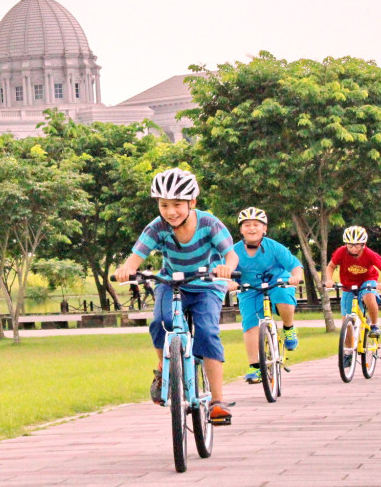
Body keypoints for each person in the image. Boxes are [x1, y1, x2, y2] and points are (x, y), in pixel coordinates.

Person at [114, 168, 238, 425]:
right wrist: (127, 270)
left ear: (192, 202)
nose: (171, 211)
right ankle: (163, 371)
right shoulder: (157, 228)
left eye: (178, 204)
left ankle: (217, 401)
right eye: (164, 205)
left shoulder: (209, 223)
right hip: (171, 282)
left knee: (207, 332)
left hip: (207, 284)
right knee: (160, 321)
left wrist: (226, 268)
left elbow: (231, 255)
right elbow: (136, 258)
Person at [231, 207, 304, 383]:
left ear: (264, 228)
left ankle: (288, 328)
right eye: (247, 225)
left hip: (277, 281)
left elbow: (295, 265)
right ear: (241, 229)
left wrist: (296, 277)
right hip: (250, 288)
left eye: (256, 224)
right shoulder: (234, 251)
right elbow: (226, 271)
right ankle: (255, 366)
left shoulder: (274, 247)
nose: (252, 228)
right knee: (250, 324)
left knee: (283, 295)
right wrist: (228, 282)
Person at [324, 225, 381, 354]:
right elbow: (330, 266)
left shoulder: (369, 254)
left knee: (369, 296)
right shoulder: (341, 252)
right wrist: (329, 280)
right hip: (348, 285)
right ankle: (348, 352)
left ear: (363, 244)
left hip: (367, 281)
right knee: (346, 323)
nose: (353, 248)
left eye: (357, 245)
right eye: (350, 245)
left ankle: (374, 325)